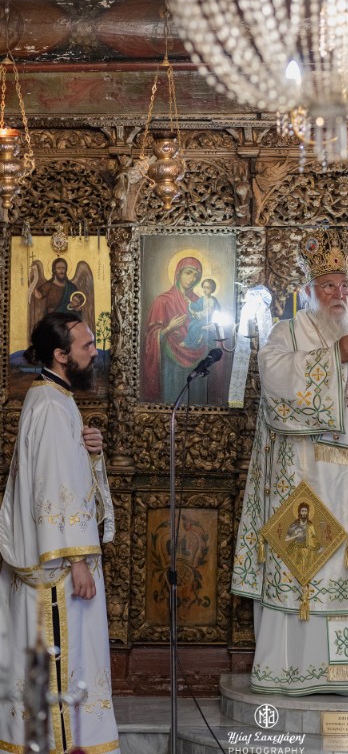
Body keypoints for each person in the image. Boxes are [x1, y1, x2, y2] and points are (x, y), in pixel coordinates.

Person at [232, 228, 348, 695]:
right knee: (309, 570)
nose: (338, 294)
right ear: (309, 291)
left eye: (343, 285)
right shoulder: (288, 332)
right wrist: (332, 357)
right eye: (328, 286)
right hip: (309, 482)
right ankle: (300, 670)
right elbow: (275, 384)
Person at [0, 312, 119, 754]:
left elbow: (67, 474)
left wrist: (92, 453)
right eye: (87, 346)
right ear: (60, 354)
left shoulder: (56, 396)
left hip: (63, 562)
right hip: (58, 571)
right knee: (62, 664)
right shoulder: (50, 406)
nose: (95, 352)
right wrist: (78, 560)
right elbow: (51, 489)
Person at [142, 256, 209, 403]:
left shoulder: (199, 302)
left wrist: (204, 334)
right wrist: (169, 328)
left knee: (195, 401)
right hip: (171, 361)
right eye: (188, 273)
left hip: (197, 359)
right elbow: (150, 338)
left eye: (196, 275)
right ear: (178, 273)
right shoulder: (163, 301)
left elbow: (206, 326)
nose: (191, 279)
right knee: (172, 399)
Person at [181, 278, 221, 349]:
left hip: (208, 320)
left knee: (195, 328)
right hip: (201, 318)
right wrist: (190, 302)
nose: (205, 290)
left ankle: (191, 344)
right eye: (204, 287)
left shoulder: (212, 301)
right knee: (191, 324)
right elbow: (196, 306)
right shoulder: (202, 299)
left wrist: (196, 314)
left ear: (212, 289)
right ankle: (191, 340)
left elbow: (207, 313)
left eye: (208, 288)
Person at [284, 502, 321, 574]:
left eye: (305, 511)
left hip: (308, 551)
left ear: (308, 512)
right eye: (302, 511)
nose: (304, 513)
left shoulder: (310, 525)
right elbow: (286, 539)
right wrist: (296, 535)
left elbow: (314, 538)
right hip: (296, 551)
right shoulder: (295, 524)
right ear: (299, 512)